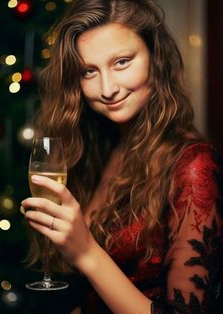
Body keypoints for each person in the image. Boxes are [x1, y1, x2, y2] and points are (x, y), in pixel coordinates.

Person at [22, 0, 223, 313]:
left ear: (156, 58)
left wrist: (86, 251)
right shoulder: (100, 149)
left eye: (122, 62)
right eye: (89, 71)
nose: (107, 88)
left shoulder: (193, 166)